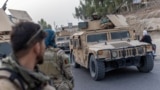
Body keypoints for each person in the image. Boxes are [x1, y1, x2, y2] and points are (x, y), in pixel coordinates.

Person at [0, 22, 56, 90]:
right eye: (43, 43)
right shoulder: (5, 85)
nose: (44, 47)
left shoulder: (35, 78)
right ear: (37, 47)